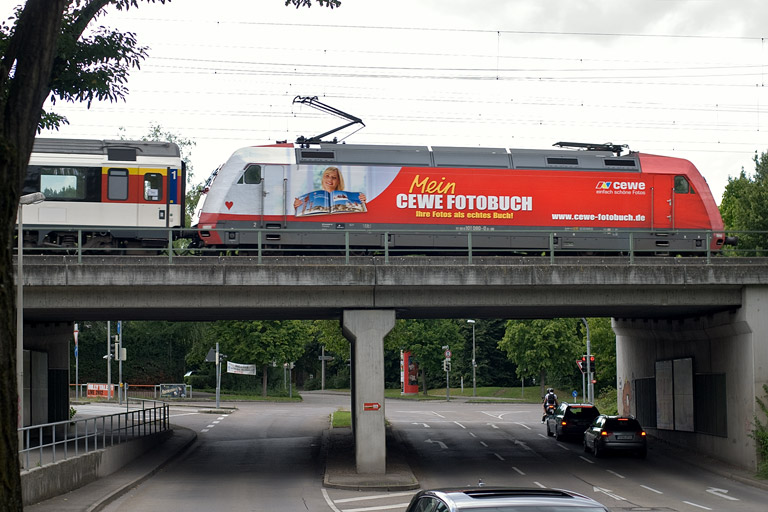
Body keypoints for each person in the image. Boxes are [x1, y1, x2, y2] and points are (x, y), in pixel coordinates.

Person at [293, 166, 366, 209]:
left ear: (338, 181)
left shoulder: (349, 196)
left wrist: (363, 202)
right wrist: (298, 206)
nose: (329, 180)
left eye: (334, 178)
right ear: (323, 178)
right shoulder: (313, 195)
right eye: (327, 176)